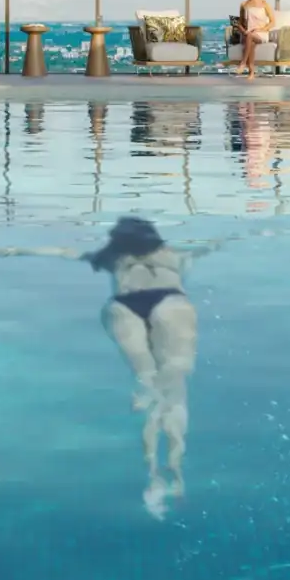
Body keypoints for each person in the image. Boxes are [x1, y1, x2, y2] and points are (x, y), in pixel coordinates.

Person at [86, 217, 197, 517]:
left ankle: (152, 475)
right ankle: (176, 469)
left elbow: (50, 252)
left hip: (123, 305)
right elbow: (217, 244)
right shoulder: (174, 254)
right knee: (174, 387)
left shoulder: (110, 257)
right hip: (171, 302)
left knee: (146, 381)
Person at [228, 0, 276, 76]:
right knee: (251, 41)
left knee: (250, 37)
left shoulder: (264, 4)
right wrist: (244, 31)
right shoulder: (244, 4)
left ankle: (243, 63)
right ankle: (251, 72)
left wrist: (262, 29)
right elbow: (239, 23)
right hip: (246, 34)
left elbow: (272, 22)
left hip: (261, 34)